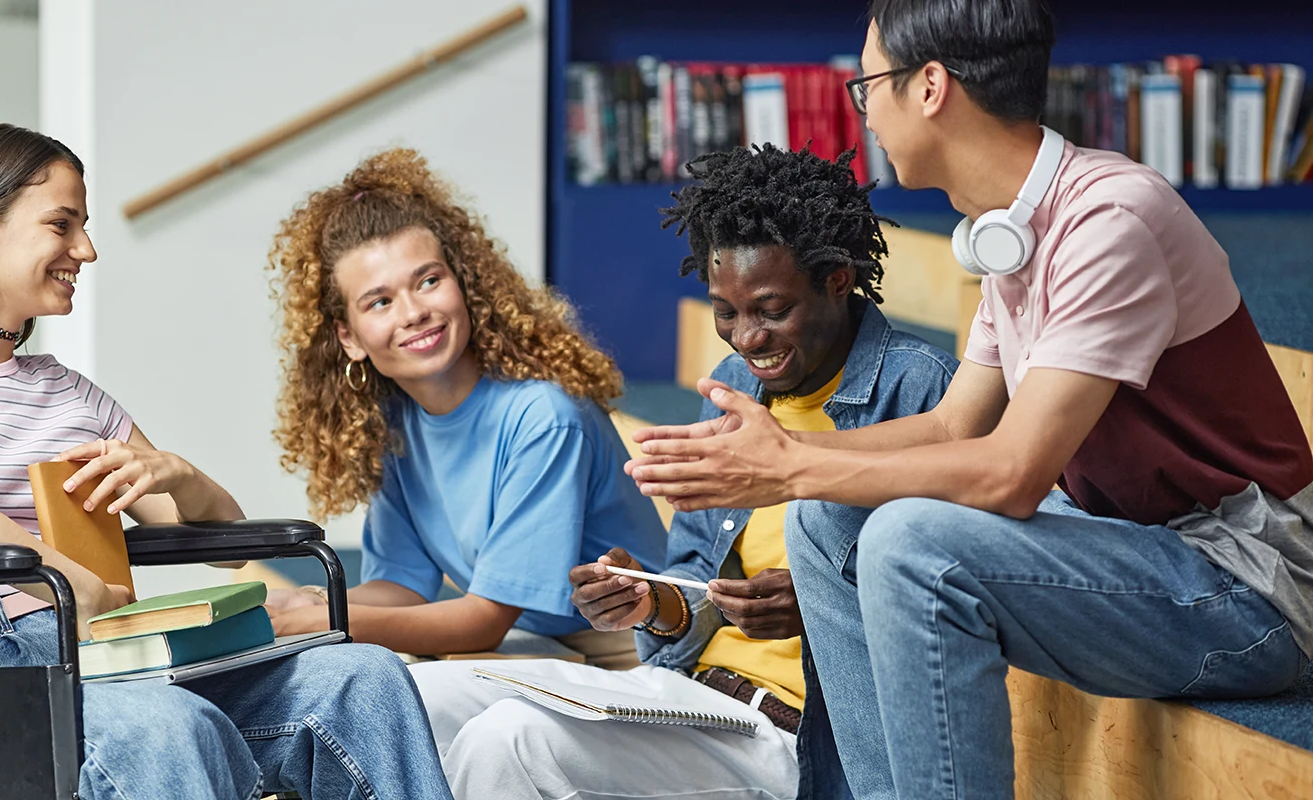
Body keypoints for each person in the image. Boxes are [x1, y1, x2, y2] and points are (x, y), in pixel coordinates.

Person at [625, 2, 1313, 798]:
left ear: (929, 87)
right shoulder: (1011, 229)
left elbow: (1012, 474)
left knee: (912, 541)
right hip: (1138, 548)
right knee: (825, 521)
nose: (864, 112)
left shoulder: (1108, 222)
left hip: (1247, 586)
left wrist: (788, 468)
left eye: (868, 85)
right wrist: (782, 455)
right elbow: (953, 425)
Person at [0, 123, 452, 800]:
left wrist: (178, 475)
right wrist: (67, 579)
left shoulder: (70, 393)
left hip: (104, 648)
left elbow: (223, 545)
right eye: (62, 225)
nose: (86, 249)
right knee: (170, 727)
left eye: (84, 227)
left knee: (362, 680)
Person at [409, 143, 957, 799]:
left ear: (837, 279)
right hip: (689, 694)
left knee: (511, 740)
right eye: (727, 311)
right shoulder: (733, 386)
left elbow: (958, 599)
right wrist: (650, 602)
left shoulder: (924, 394)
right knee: (411, 695)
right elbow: (698, 577)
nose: (747, 337)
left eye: (772, 309)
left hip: (793, 740)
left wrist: (822, 605)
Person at [264, 148, 667, 666]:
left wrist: (325, 620)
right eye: (380, 302)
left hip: (630, 651)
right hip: (532, 644)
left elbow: (483, 622)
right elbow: (401, 586)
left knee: (390, 683)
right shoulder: (395, 424)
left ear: (464, 284)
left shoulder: (544, 417)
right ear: (349, 337)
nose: (414, 312)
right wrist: (307, 602)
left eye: (429, 280)